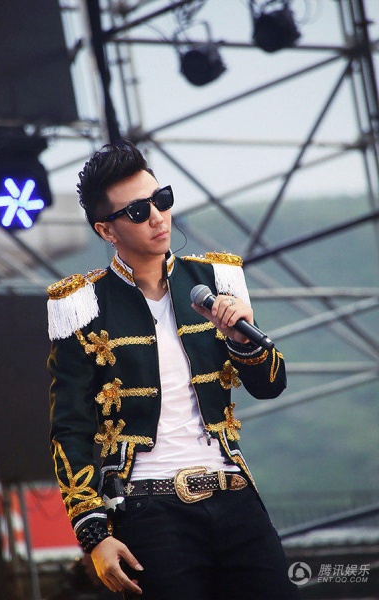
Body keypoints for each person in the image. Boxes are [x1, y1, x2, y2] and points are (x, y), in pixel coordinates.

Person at [47, 140, 300, 600]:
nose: (158, 217)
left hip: (233, 492)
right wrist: (94, 534)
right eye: (138, 211)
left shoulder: (215, 280)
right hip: (147, 509)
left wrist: (242, 342)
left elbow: (271, 385)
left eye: (161, 200)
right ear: (106, 229)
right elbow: (70, 428)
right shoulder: (81, 306)